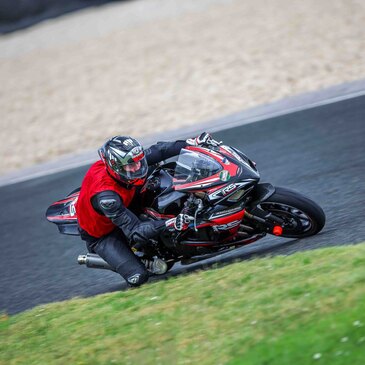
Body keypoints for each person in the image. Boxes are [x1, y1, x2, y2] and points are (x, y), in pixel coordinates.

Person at [76, 132, 219, 287]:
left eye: (139, 161)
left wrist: (191, 142)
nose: (138, 167)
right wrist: (171, 223)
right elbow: (136, 231)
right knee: (139, 276)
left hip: (126, 198)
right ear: (115, 168)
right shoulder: (107, 198)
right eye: (131, 165)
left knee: (158, 174)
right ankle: (136, 262)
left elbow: (160, 150)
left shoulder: (126, 167)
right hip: (103, 234)